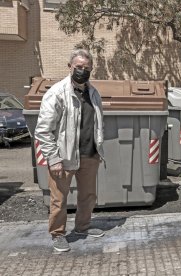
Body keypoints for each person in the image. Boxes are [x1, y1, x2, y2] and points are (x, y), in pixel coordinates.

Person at [34, 49, 105, 252]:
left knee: (88, 195)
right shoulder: (57, 93)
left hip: (89, 155)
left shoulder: (93, 93)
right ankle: (57, 234)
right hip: (63, 157)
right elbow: (43, 130)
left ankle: (82, 227)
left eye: (87, 67)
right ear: (70, 67)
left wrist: (98, 148)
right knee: (59, 198)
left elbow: (98, 122)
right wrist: (53, 158)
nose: (83, 71)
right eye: (79, 67)